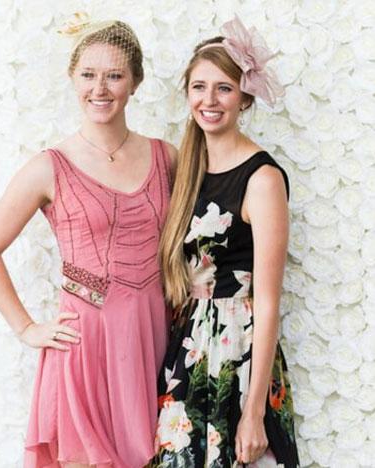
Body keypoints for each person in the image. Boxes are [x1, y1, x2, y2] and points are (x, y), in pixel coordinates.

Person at [0, 14, 177, 467]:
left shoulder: (167, 157)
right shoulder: (50, 166)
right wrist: (26, 328)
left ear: (136, 83)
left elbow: (193, 236)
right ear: (72, 78)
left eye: (114, 75)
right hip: (86, 345)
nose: (99, 88)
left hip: (155, 338)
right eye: (88, 75)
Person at [153, 17, 299, 467]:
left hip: (238, 350)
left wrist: (254, 411)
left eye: (223, 88)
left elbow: (269, 302)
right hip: (188, 345)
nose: (209, 100)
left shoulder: (262, 178)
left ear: (244, 96)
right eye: (199, 87)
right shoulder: (187, 170)